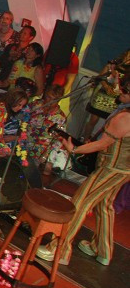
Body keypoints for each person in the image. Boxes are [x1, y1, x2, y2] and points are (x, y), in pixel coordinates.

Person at [37, 74, 130, 267]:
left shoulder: (125, 117)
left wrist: (75, 149)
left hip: (111, 168)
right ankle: (102, 250)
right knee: (105, 205)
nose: (120, 90)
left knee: (80, 202)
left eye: (126, 90)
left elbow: (103, 144)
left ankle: (59, 249)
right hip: (122, 169)